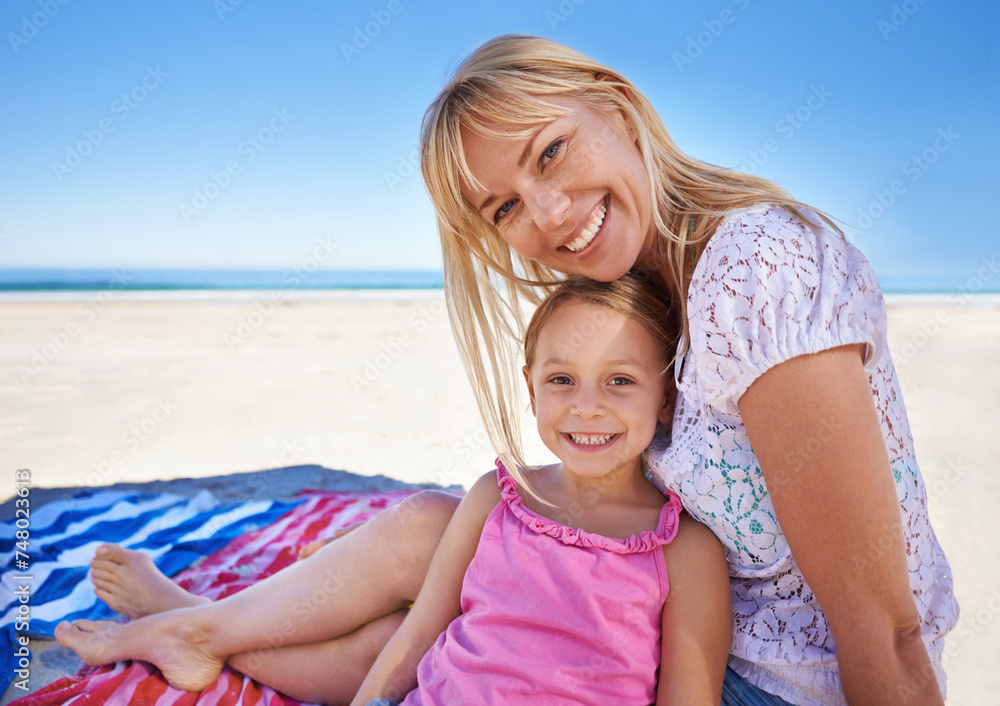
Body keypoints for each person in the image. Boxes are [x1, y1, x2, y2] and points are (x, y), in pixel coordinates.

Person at [57, 34, 958, 705]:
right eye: (505, 208)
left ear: (617, 107)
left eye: (551, 152)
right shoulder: (638, 295)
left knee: (448, 630)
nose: (551, 215)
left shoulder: (757, 270)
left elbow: (886, 632)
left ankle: (198, 626)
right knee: (437, 549)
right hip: (672, 627)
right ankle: (200, 624)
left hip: (766, 684)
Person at [350, 274, 731, 704]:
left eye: (621, 380)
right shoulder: (495, 498)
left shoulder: (685, 551)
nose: (587, 407)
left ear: (666, 399)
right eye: (562, 380)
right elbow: (419, 634)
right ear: (532, 391)